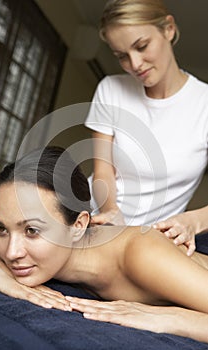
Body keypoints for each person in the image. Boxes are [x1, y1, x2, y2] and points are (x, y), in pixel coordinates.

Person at [0, 145, 208, 343]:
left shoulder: (141, 254)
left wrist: (171, 318)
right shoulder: (16, 245)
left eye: (32, 230)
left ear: (77, 226)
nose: (12, 252)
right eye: (1, 228)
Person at [85, 0, 208, 254]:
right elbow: (102, 171)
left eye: (141, 46)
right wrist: (110, 213)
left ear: (169, 29)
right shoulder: (111, 89)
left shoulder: (204, 104)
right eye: (122, 56)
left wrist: (192, 221)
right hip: (94, 221)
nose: (135, 64)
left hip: (148, 244)